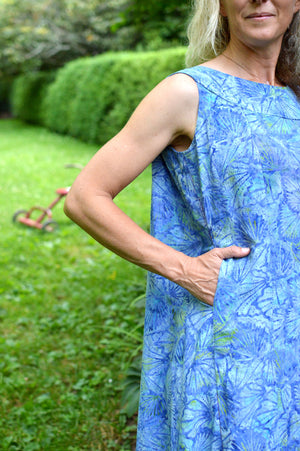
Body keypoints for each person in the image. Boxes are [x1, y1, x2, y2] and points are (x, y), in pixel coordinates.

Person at [64, 0, 300, 448]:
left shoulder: (294, 95)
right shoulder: (188, 92)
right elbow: (85, 197)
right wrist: (185, 269)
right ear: (222, 7)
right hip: (231, 334)